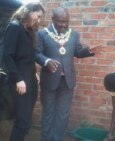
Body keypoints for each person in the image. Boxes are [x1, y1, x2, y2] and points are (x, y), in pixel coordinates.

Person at [35, 7, 101, 141]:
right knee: (48, 113)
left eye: (66, 21)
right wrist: (46, 61)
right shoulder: (42, 34)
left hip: (67, 81)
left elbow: (78, 52)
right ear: (53, 19)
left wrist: (88, 51)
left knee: (63, 114)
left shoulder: (73, 34)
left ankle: (58, 138)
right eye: (61, 21)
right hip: (49, 80)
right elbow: (36, 54)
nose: (64, 25)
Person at [3, 2, 45, 141]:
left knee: (25, 121)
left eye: (40, 18)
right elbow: (7, 55)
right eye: (37, 16)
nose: (38, 20)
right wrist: (18, 79)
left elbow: (28, 57)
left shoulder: (29, 32)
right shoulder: (14, 27)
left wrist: (34, 73)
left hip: (30, 79)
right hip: (20, 81)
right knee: (24, 121)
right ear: (29, 11)